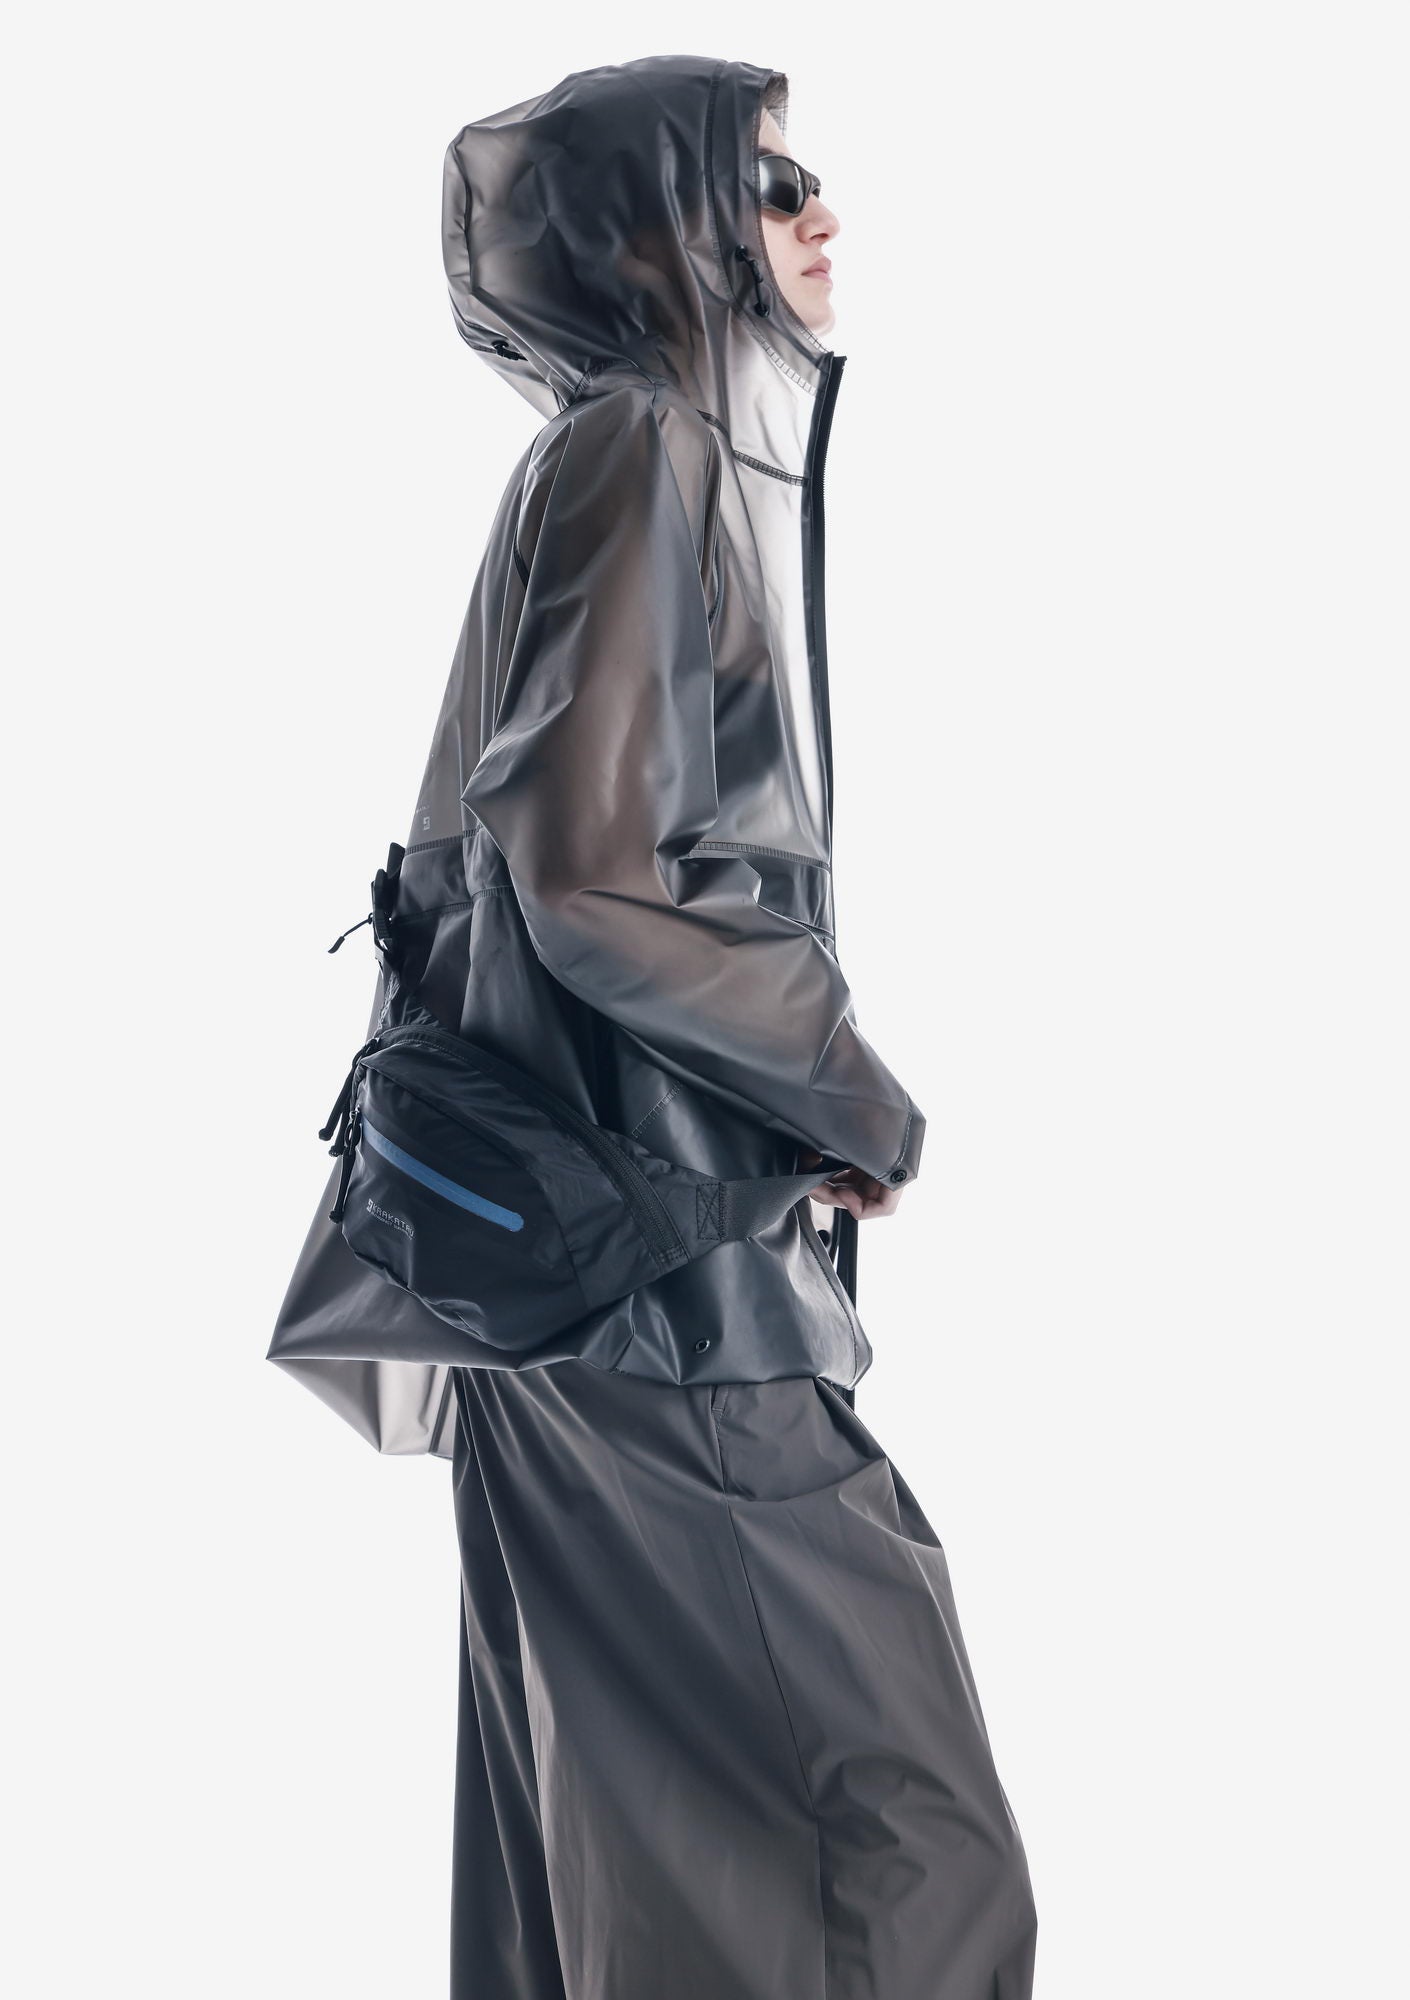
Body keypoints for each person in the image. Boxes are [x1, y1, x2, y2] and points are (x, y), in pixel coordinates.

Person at [269, 53, 1037, 2000]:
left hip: (570, 1304)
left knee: (614, 1875)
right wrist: (845, 1087)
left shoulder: (600, 458)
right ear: (656, 234)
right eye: (771, 184)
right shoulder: (644, 453)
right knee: (900, 1857)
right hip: (661, 1308)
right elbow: (587, 866)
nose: (820, 214)